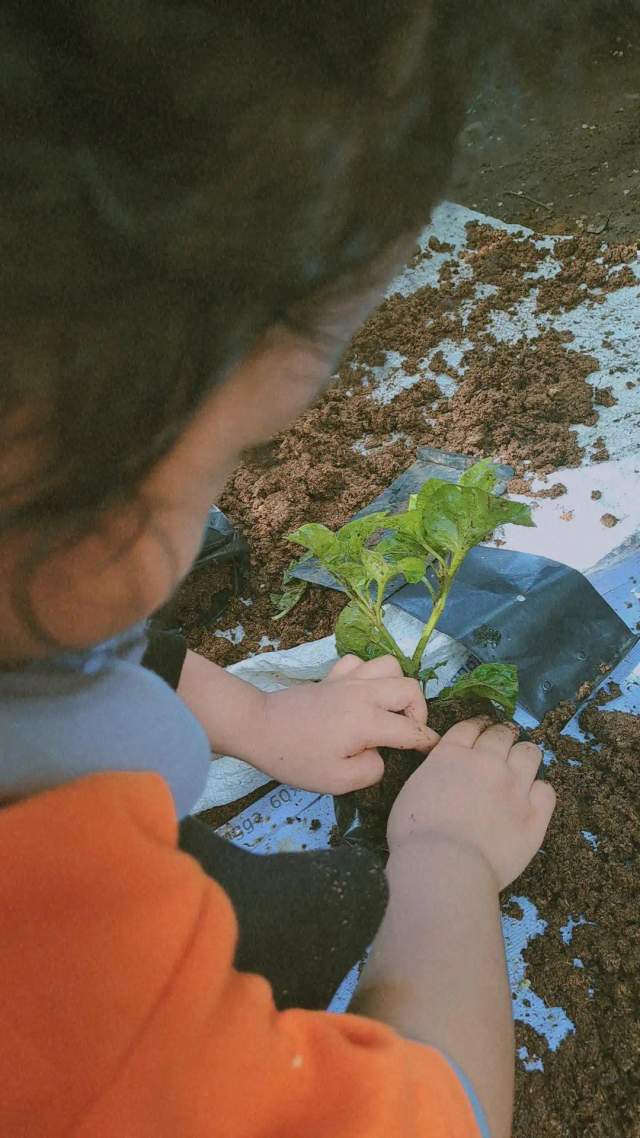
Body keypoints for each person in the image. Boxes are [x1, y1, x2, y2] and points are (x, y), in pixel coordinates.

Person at [0, 3, 570, 1137]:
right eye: (232, 451)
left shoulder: (37, 587)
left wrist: (258, 719)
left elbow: (76, 650)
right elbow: (436, 1115)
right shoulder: (78, 1032)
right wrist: (446, 862)